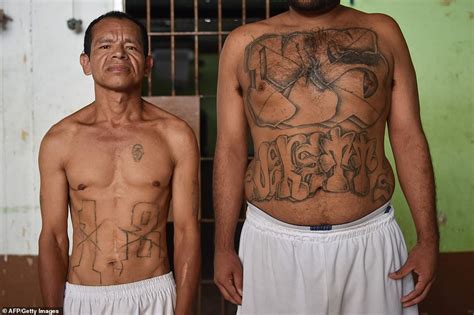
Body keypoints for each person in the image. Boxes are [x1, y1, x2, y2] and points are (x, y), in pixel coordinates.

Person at [213, 1, 438, 314]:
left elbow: (409, 137)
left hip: (369, 238)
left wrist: (428, 239)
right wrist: (223, 246)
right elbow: (230, 148)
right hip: (273, 241)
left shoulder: (382, 32)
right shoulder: (243, 43)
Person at [38, 11, 200, 315]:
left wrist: (185, 311)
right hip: (83, 297)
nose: (119, 54)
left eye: (132, 47)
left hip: (154, 293)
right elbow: (54, 238)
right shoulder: (60, 140)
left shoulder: (175, 136)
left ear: (148, 64)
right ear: (85, 63)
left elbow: (187, 232)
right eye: (105, 46)